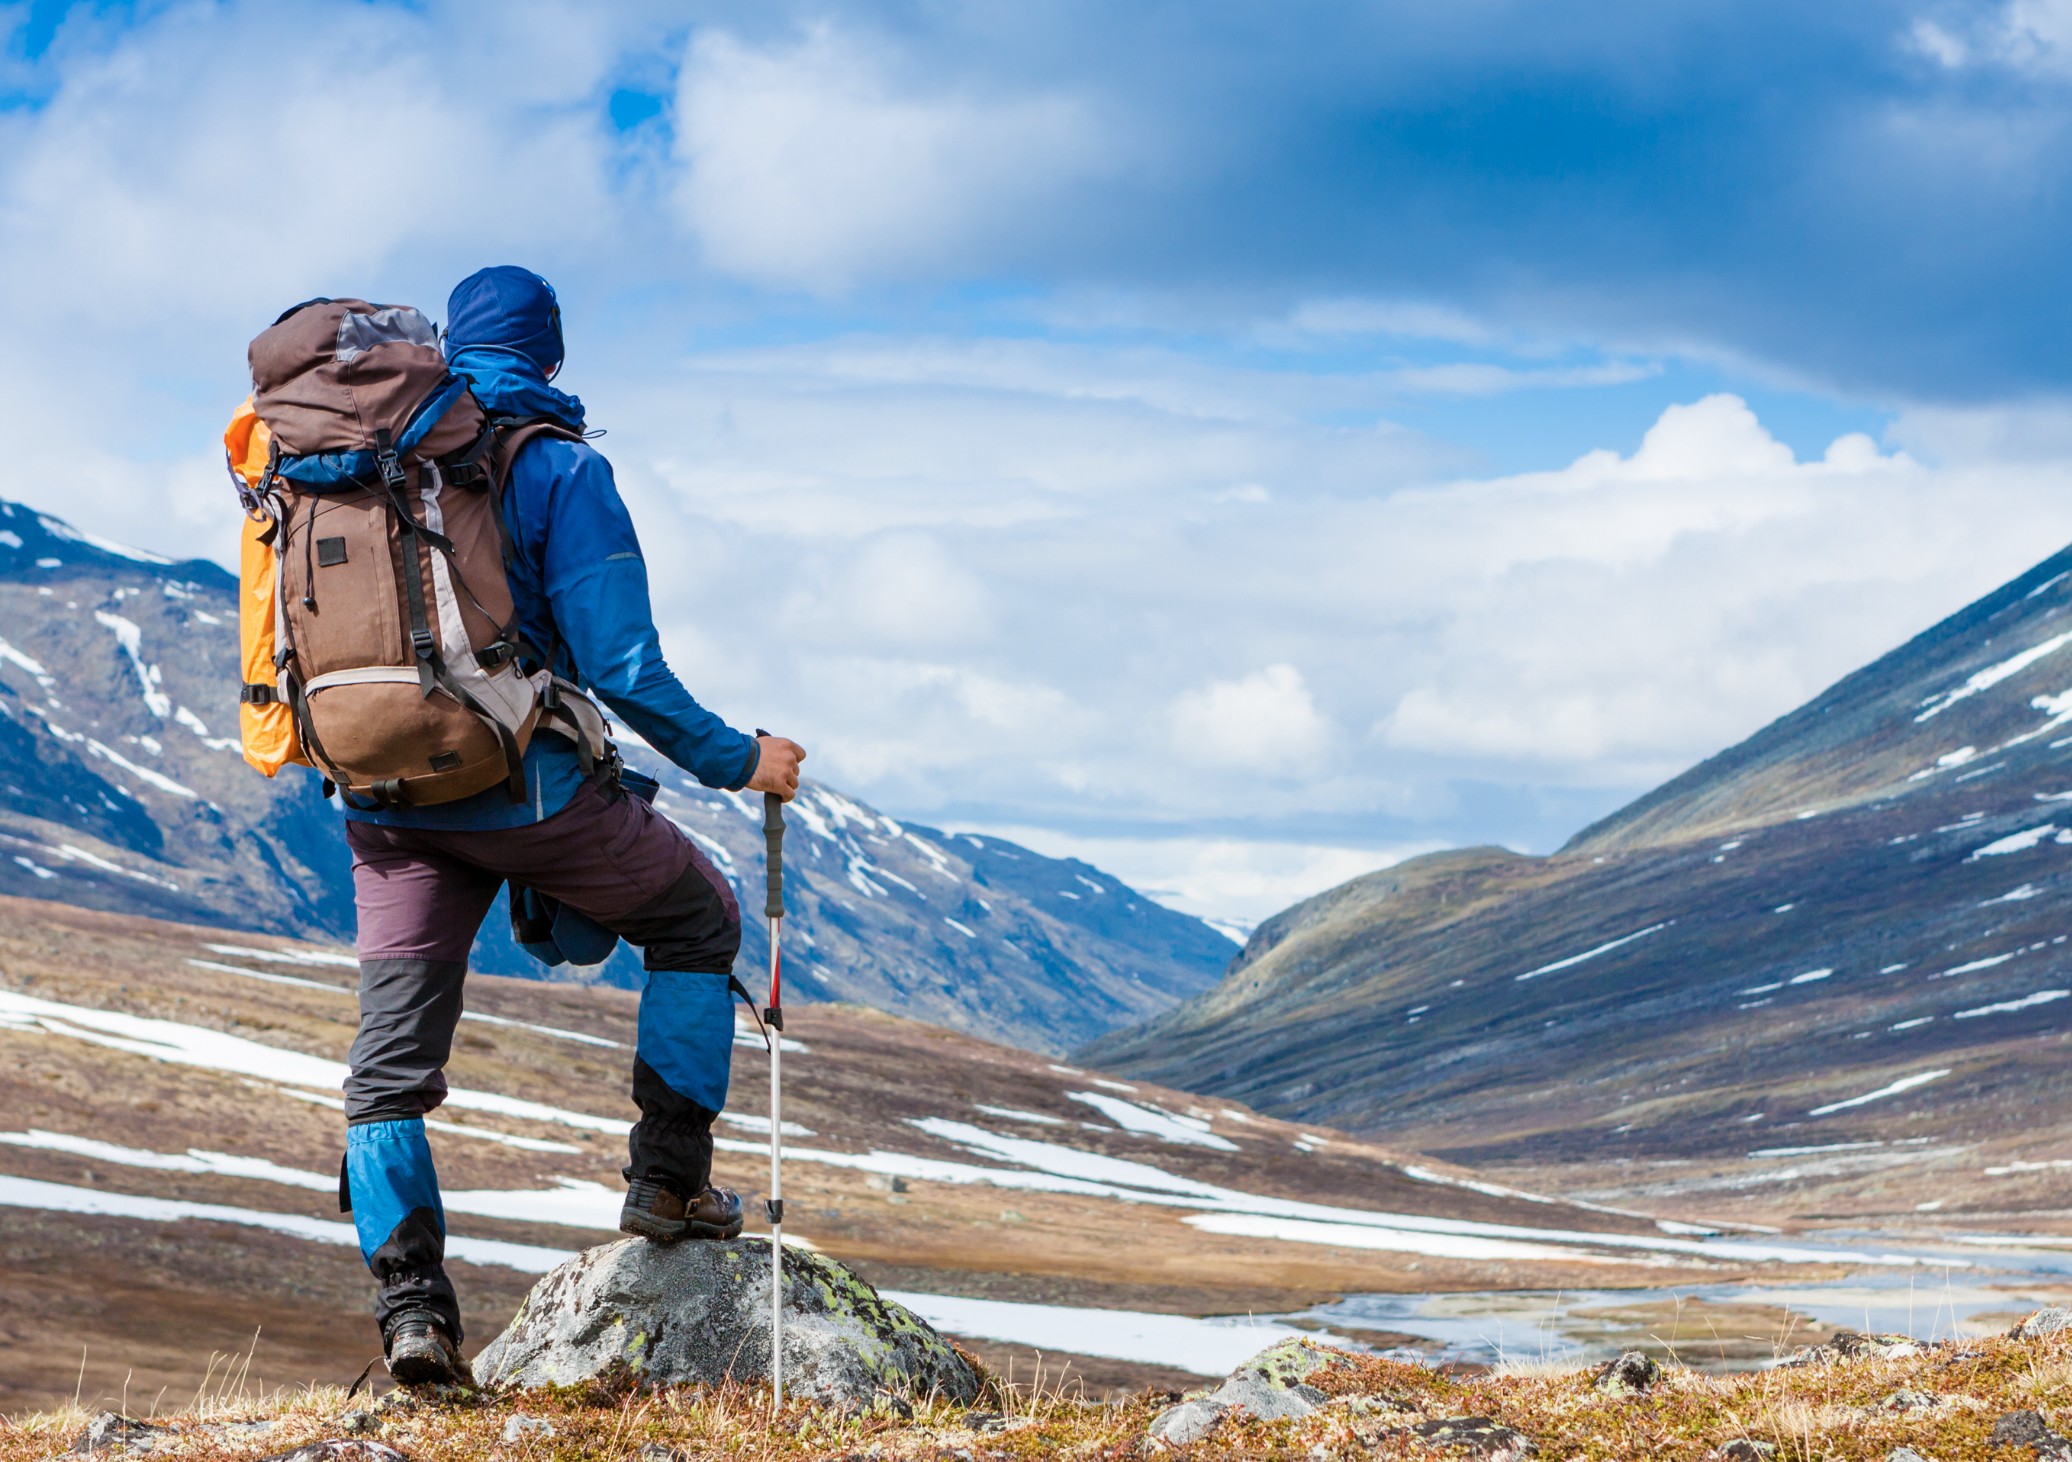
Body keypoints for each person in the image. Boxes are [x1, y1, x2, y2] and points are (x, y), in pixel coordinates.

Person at [337, 265, 805, 1384]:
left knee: (387, 1076)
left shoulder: (355, 466)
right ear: (548, 356)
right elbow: (622, 666)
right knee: (697, 921)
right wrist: (740, 759)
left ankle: (412, 1314)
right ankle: (669, 1181)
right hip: (528, 791)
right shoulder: (556, 464)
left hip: (385, 800)